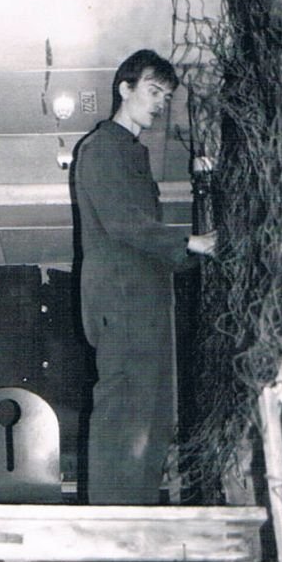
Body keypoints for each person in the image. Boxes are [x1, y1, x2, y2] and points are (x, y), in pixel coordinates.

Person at [73, 49, 216, 504]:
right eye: (153, 91)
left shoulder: (132, 154)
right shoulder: (102, 148)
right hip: (123, 301)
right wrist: (190, 242)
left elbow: (145, 244)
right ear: (125, 88)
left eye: (166, 97)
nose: (160, 103)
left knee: (152, 415)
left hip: (144, 302)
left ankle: (137, 512)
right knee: (124, 412)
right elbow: (122, 222)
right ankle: (114, 520)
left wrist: (194, 254)